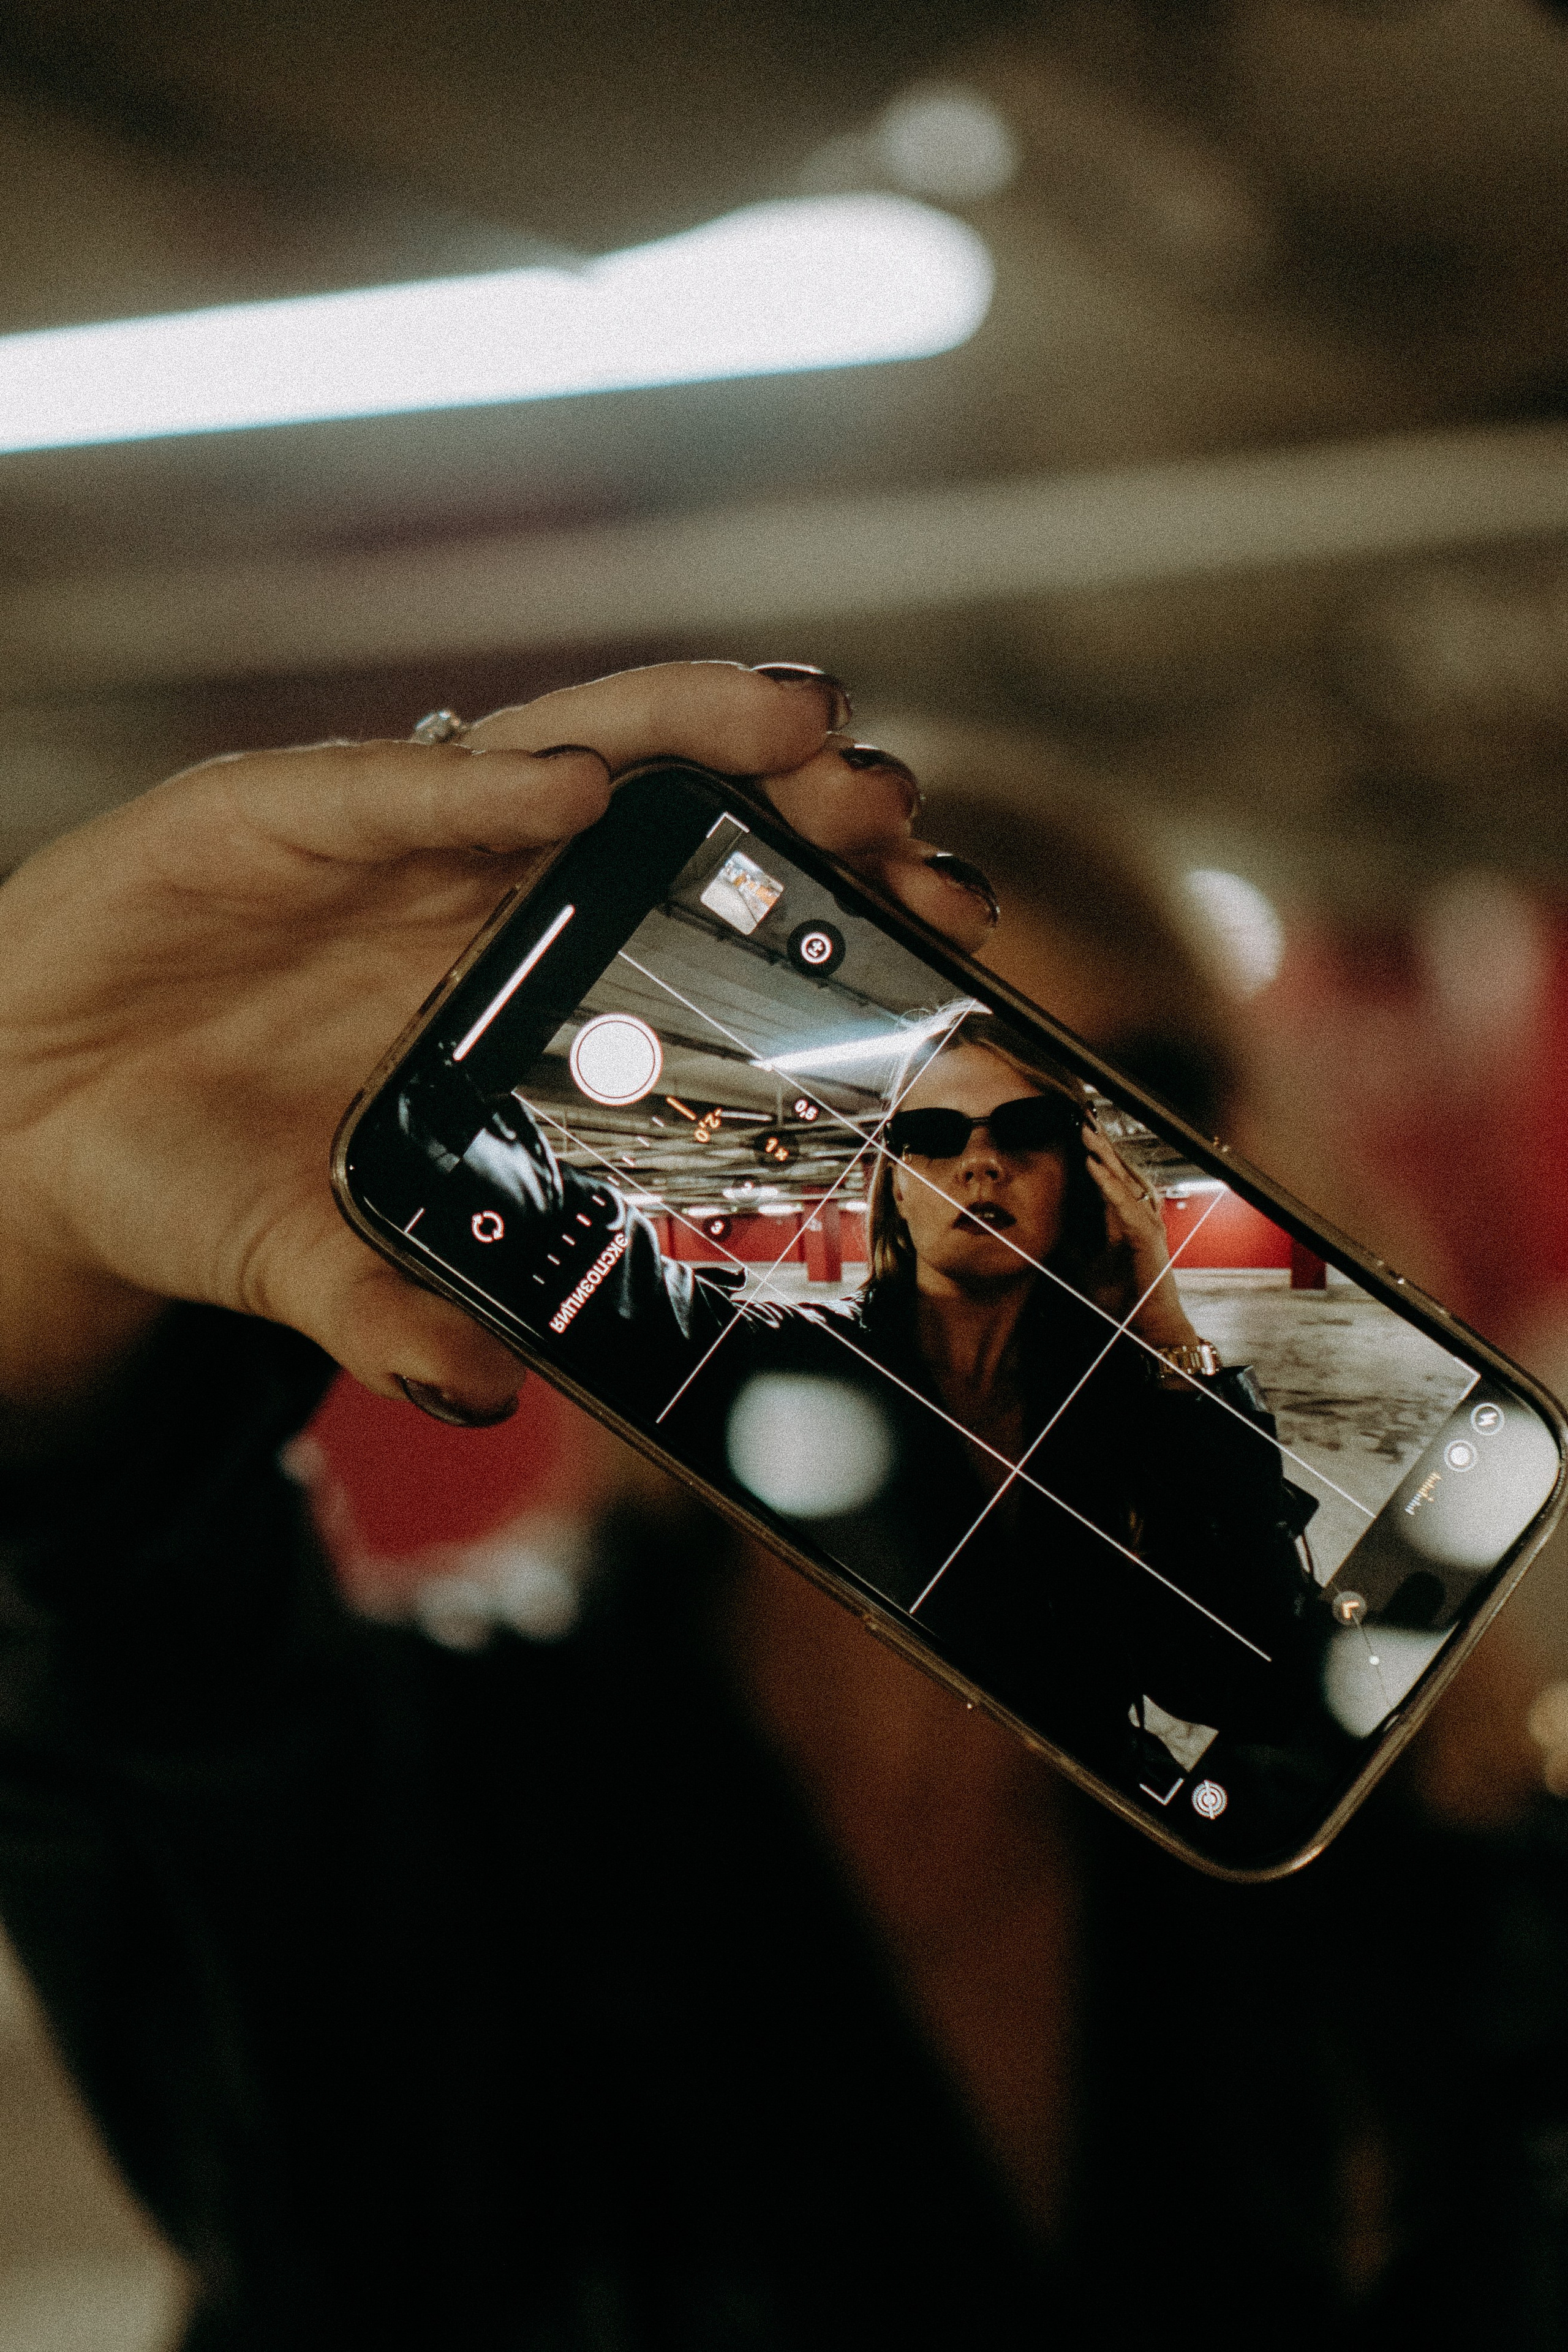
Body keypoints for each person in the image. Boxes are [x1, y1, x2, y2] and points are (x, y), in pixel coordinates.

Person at [2, 661, 1567, 2351]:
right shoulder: (450, 1803)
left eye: (1095, 1100)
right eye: (872, 1124)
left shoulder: (1424, 1892)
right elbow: (140, 1660)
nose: (1004, 1208)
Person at [401, 999, 1320, 1771]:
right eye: (933, 1136)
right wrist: (422, 1105)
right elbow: (595, 1269)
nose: (981, 1162)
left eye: (1028, 1132)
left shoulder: (1128, 1414)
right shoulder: (794, 1366)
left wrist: (1164, 1333)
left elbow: (1242, 1679)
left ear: (1086, 1178)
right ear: (896, 1185)